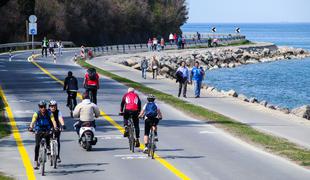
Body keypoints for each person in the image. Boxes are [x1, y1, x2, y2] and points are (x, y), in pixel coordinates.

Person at [28, 100, 57, 169]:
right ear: (39, 107)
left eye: (44, 107)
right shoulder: (36, 114)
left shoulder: (49, 113)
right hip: (39, 129)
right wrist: (31, 127)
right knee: (37, 145)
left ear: (46, 107)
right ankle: (35, 161)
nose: (43, 108)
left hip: (47, 129)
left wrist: (55, 127)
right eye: (41, 107)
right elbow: (33, 122)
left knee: (48, 141)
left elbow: (53, 121)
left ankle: (49, 151)